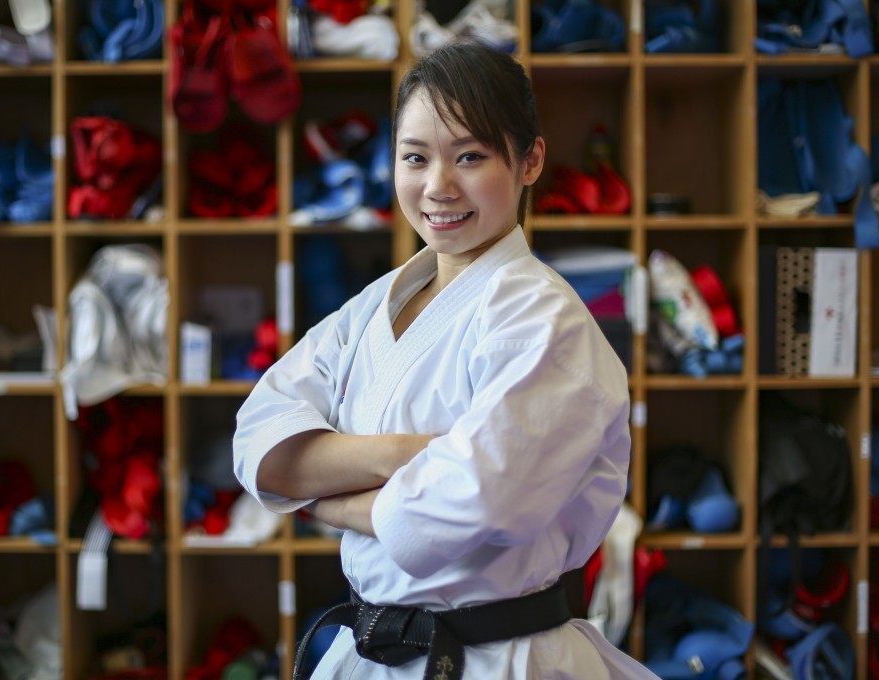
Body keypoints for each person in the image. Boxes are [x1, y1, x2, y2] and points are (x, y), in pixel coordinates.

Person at [234, 39, 658, 679]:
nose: (438, 186)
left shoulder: (546, 320)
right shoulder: (377, 304)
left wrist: (323, 500)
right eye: (415, 157)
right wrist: (406, 455)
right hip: (371, 653)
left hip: (496, 659)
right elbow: (262, 435)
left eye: (470, 156)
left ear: (530, 160)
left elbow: (472, 504)